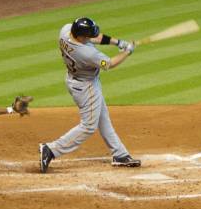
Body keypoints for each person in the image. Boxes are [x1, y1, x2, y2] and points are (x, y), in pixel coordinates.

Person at [39, 17, 140, 173]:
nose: (90, 37)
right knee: (88, 126)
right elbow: (110, 63)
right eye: (87, 36)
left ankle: (120, 154)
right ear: (81, 36)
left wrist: (118, 42)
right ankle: (51, 149)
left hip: (74, 79)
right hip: (86, 88)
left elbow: (95, 37)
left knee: (102, 117)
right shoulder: (86, 53)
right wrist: (127, 52)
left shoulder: (65, 30)